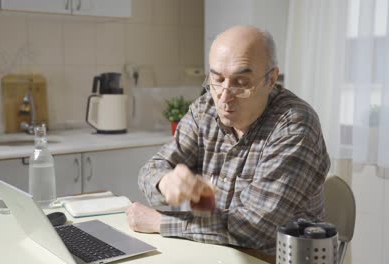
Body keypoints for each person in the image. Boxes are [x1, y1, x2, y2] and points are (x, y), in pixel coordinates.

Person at [125, 25, 330, 255]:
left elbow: (254, 230)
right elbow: (151, 169)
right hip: (213, 253)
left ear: (271, 79)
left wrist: (159, 223)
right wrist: (165, 182)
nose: (224, 97)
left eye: (241, 83)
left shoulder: (294, 125)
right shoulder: (205, 110)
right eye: (217, 79)